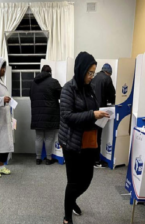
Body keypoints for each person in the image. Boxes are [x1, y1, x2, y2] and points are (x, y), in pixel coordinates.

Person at [59, 52, 110, 224]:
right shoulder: (68, 89)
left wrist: (101, 115)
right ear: (80, 70)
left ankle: (72, 199)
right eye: (89, 73)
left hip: (89, 140)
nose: (91, 77)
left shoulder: (90, 89)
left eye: (93, 73)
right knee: (73, 181)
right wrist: (92, 114)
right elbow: (67, 116)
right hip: (71, 142)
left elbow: (92, 112)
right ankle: (67, 216)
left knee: (87, 179)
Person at [29, 65, 62, 165]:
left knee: (39, 137)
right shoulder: (53, 82)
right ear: (50, 72)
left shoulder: (34, 82)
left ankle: (38, 158)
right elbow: (61, 94)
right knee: (49, 138)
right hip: (50, 114)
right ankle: (48, 159)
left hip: (37, 115)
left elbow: (31, 96)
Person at [91, 63, 116, 168]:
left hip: (91, 110)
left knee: (92, 135)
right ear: (109, 73)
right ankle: (96, 161)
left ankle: (91, 159)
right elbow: (112, 95)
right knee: (98, 136)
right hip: (100, 110)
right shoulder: (107, 79)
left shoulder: (94, 77)